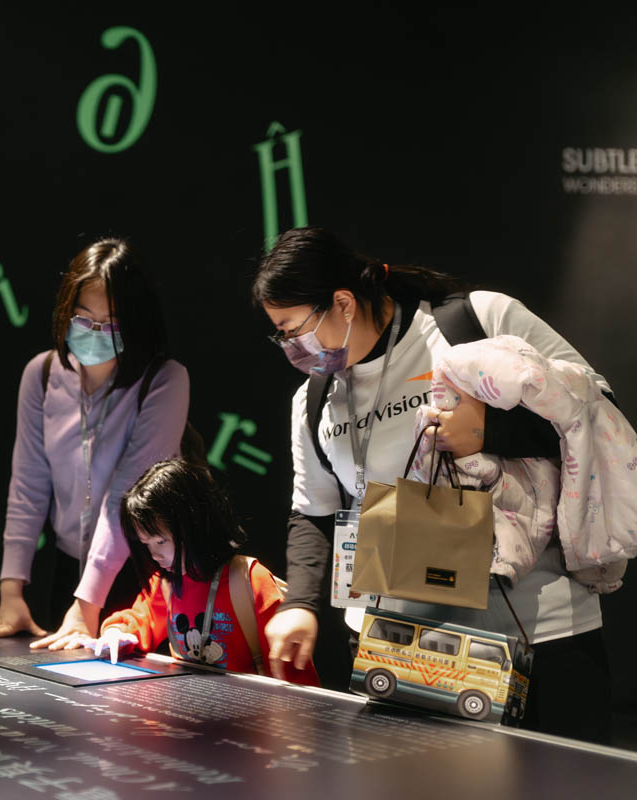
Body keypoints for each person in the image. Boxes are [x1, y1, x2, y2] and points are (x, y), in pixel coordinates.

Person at [253, 225, 613, 743]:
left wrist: (489, 431)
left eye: (294, 330)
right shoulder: (313, 401)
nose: (292, 348)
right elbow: (312, 511)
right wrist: (300, 605)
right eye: (282, 336)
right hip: (400, 649)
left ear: (343, 303)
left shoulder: (472, 322)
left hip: (537, 631)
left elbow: (600, 409)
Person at [0, 237, 190, 648]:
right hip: (68, 570)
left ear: (135, 322)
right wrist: (11, 593)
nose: (95, 332)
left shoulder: (164, 380)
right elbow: (28, 485)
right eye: (84, 318)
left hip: (144, 570)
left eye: (111, 323)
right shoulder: (42, 374)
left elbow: (126, 494)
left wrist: (87, 605)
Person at [69, 459, 318, 685]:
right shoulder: (165, 583)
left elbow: (294, 673)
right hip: (190, 706)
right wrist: (116, 633)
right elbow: (138, 619)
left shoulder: (250, 580)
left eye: (160, 541)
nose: (154, 555)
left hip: (252, 711)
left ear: (195, 527)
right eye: (146, 544)